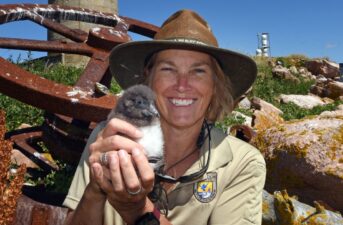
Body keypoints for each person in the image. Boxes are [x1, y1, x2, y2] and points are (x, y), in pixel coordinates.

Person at [63, 9, 266, 225]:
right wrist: (95, 191)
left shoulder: (242, 163)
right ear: (148, 79)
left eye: (198, 71)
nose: (182, 85)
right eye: (168, 69)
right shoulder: (109, 140)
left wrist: (139, 210)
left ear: (215, 86)